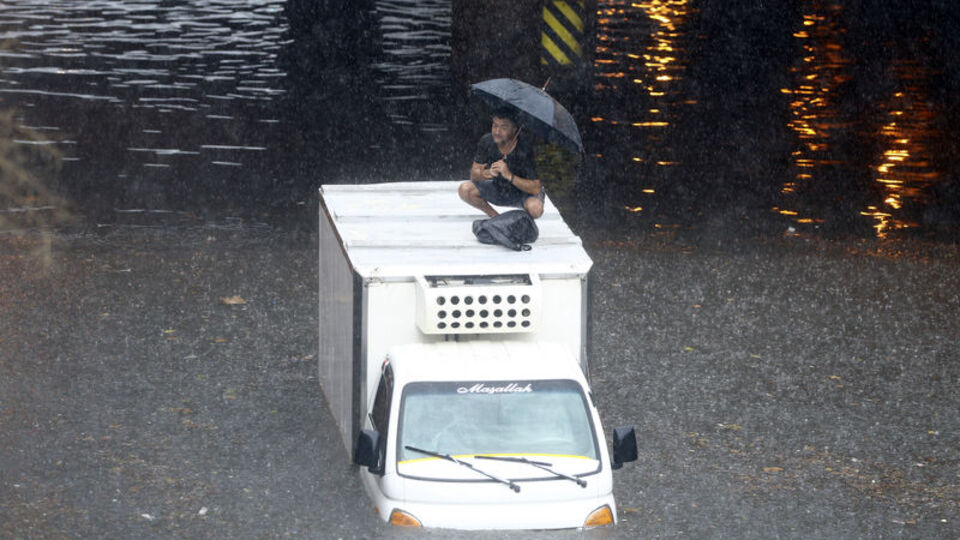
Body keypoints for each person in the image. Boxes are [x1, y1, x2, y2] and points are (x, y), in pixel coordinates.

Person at [458, 108, 544, 219]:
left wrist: (508, 175)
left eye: (504, 127)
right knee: (465, 189)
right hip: (498, 188)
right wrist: (487, 173)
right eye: (495, 126)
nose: (497, 132)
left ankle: (521, 223)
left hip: (523, 192)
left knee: (535, 209)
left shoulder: (526, 148)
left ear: (514, 129)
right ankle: (496, 218)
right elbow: (474, 174)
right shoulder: (487, 141)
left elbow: (536, 188)